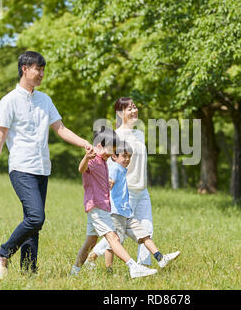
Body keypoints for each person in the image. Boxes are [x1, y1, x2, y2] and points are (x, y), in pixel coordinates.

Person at [0, 51, 94, 278]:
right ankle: (3, 254)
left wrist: (85, 144)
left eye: (43, 70)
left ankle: (28, 273)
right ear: (25, 69)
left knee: (33, 224)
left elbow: (60, 129)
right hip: (21, 167)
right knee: (36, 216)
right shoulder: (9, 101)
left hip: (43, 168)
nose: (41, 74)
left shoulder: (45, 100)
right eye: (38, 69)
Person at [69, 128, 157, 279]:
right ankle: (133, 267)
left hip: (102, 206)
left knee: (90, 241)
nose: (113, 152)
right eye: (112, 148)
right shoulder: (93, 159)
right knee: (113, 238)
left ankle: (74, 272)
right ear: (100, 145)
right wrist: (86, 158)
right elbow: (81, 169)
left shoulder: (104, 162)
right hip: (96, 206)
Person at [86, 141, 180, 274]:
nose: (127, 159)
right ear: (114, 156)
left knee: (144, 234)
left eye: (129, 156)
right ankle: (108, 270)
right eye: (124, 156)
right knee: (113, 244)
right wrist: (109, 184)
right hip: (116, 212)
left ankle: (160, 257)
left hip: (127, 213)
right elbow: (110, 181)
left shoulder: (122, 169)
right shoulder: (114, 168)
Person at [92, 98, 154, 266]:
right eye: (129, 109)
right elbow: (110, 165)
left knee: (147, 229)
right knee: (121, 233)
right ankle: (93, 255)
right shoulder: (117, 136)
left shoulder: (139, 134)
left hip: (142, 189)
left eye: (135, 107)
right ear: (120, 113)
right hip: (126, 191)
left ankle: (145, 265)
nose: (134, 111)